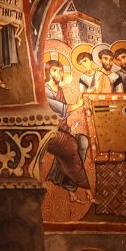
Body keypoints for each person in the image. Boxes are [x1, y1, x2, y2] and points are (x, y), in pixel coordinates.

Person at [43, 60, 93, 204]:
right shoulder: (45, 90)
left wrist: (72, 127)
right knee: (71, 146)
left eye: (60, 70)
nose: (58, 73)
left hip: (62, 130)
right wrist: (80, 101)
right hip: (49, 133)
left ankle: (68, 185)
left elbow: (63, 116)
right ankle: (86, 189)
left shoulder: (59, 88)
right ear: (48, 72)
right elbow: (63, 109)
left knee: (83, 141)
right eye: (54, 70)